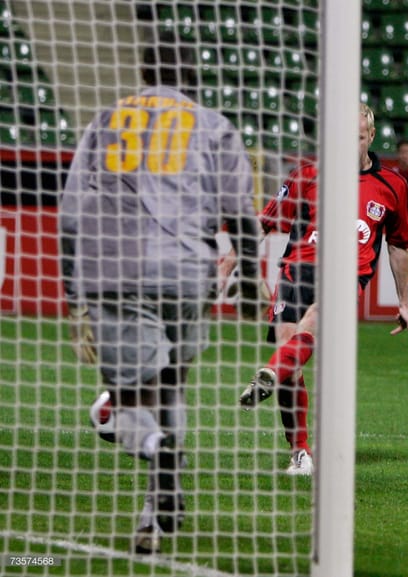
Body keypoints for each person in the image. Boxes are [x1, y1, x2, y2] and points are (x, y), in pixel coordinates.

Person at [60, 44, 262, 554]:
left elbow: (70, 214)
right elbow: (240, 214)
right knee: (173, 388)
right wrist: (249, 281)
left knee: (127, 400)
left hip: (117, 271)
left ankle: (156, 450)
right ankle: (154, 517)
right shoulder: (214, 125)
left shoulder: (106, 120)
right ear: (193, 79)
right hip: (190, 272)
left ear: (143, 74)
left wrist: (74, 297)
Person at [237, 103, 408, 476]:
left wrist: (405, 301)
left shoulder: (392, 186)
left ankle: (269, 374)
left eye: (357, 136)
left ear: (370, 136)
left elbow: (399, 243)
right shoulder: (307, 176)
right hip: (297, 267)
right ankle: (300, 451)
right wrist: (232, 257)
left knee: (311, 327)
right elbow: (267, 220)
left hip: (347, 273)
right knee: (291, 348)